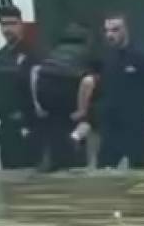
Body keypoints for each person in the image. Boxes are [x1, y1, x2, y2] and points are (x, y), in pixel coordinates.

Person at [94, 15, 144, 171]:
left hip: (136, 125)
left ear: (125, 30)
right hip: (111, 126)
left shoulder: (142, 57)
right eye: (107, 31)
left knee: (138, 172)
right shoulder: (106, 59)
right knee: (104, 169)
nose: (110, 35)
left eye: (115, 30)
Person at [31, 22, 97, 173]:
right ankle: (74, 142)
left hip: (45, 93)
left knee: (55, 135)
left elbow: (35, 72)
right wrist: (82, 110)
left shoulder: (53, 53)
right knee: (91, 118)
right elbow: (88, 82)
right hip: (68, 92)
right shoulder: (86, 54)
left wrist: (38, 104)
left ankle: (51, 164)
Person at [0, 5, 39, 169]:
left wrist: (31, 123)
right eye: (3, 24)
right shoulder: (1, 55)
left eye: (12, 23)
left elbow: (38, 91)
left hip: (26, 126)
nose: (7, 29)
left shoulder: (33, 53)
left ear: (21, 24)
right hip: (5, 128)